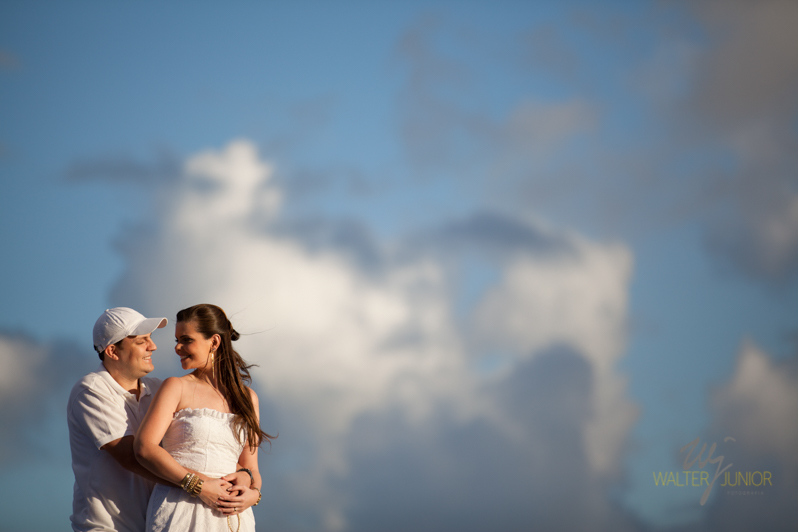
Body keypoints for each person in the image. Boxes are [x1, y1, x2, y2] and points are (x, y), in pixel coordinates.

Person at [135, 303, 274, 532]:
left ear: (215, 342)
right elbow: (145, 448)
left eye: (187, 339)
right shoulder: (176, 387)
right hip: (180, 511)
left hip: (232, 520)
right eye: (177, 340)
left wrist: (253, 494)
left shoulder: (248, 398)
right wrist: (199, 486)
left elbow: (251, 468)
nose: (178, 347)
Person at [67, 307, 169, 532]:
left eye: (150, 339)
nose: (153, 346)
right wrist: (201, 486)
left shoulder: (159, 389)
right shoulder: (90, 389)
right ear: (113, 351)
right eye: (142, 341)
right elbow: (132, 457)